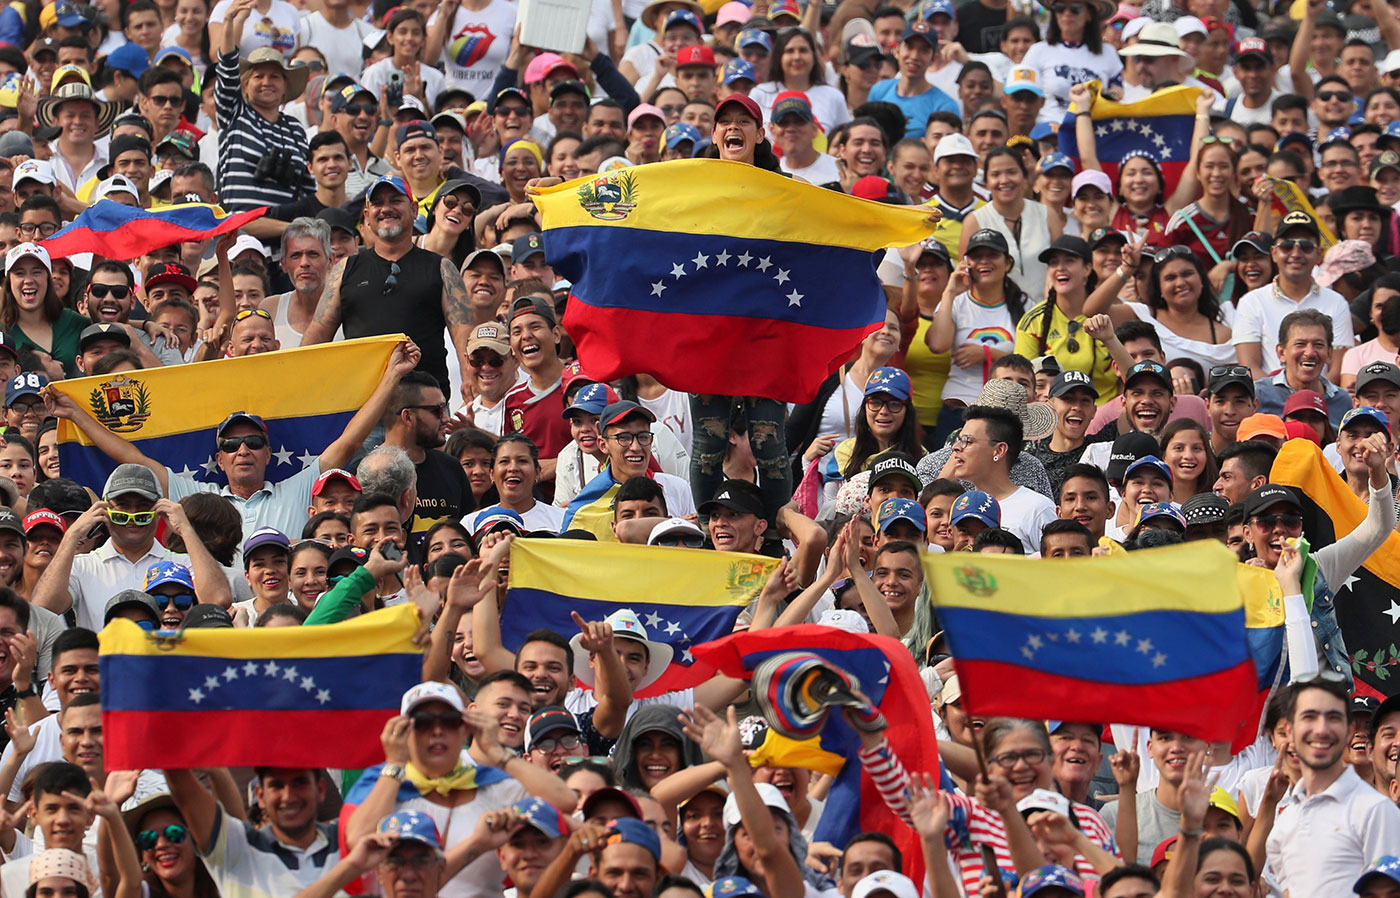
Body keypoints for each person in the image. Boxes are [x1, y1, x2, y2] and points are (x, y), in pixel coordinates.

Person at [301, 177, 473, 402]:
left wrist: (472, 382)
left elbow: (465, 336)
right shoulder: (345, 269)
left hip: (425, 409)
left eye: (395, 200)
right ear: (366, 216)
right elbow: (318, 333)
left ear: (413, 210)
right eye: (377, 203)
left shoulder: (442, 268)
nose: (386, 208)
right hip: (362, 411)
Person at [1233, 212, 1353, 380]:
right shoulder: (1251, 302)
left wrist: (1311, 398)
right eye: (1287, 246)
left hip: (1322, 401)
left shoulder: (1337, 302)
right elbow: (1250, 367)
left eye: (1306, 246)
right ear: (1274, 253)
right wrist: (1281, 397)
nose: (1296, 254)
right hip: (1270, 402)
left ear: (1319, 254)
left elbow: (1337, 369)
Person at [961, 148, 1059, 305]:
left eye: (1012, 172)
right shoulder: (974, 221)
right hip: (996, 316)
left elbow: (1061, 265)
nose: (1004, 180)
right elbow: (966, 278)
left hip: (1046, 313)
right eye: (995, 174)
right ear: (986, 182)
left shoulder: (1047, 215)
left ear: (1024, 176)